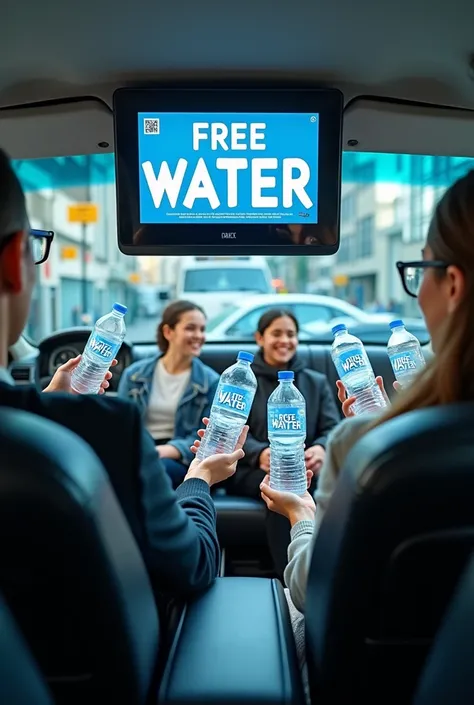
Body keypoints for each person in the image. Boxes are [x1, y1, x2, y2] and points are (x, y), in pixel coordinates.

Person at [0, 145, 246, 601]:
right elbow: (192, 569)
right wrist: (200, 477)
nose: (198, 336)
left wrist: (51, 404)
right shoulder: (112, 428)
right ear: (16, 260)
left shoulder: (69, 419)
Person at [259, 169, 474, 662]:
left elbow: (312, 592)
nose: (417, 293)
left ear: (454, 284)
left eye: (421, 274)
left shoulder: (365, 445)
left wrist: (303, 514)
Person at [224, 308, 340, 576]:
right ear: (259, 337)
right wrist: (258, 453)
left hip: (307, 468)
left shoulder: (315, 381)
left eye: (291, 334)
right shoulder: (245, 381)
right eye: (276, 333)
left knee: (319, 485)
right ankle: (291, 578)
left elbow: (332, 427)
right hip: (252, 470)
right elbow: (232, 427)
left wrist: (321, 448)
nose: (284, 340)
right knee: (283, 489)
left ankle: (328, 571)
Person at [118, 299, 218, 487]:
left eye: (202, 329)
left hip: (178, 458)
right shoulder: (134, 375)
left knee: (155, 471)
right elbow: (120, 425)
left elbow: (204, 438)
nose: (199, 336)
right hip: (138, 450)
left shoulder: (211, 382)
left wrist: (162, 451)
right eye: (191, 328)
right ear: (168, 332)